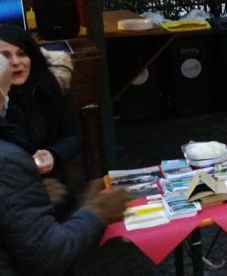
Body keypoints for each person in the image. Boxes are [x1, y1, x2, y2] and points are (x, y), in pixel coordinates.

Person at [0, 53, 132, 275]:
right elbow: (49, 255)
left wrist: (30, 195)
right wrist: (98, 211)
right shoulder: (8, 161)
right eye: (5, 93)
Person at [0, 25, 82, 184]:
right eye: (5, 56)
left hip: (54, 184)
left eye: (22, 54)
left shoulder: (51, 86)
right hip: (10, 191)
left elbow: (73, 136)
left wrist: (53, 154)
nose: (16, 62)